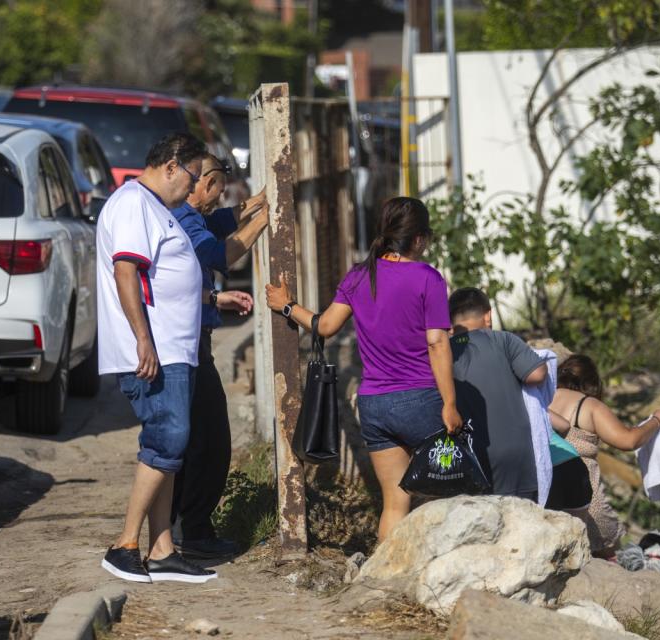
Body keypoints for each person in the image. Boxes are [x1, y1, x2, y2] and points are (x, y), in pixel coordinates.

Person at [266, 196, 461, 541]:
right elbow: (437, 342)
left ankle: (387, 582)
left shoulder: (360, 275)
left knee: (394, 504)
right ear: (419, 239)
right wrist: (449, 403)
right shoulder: (428, 278)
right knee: (443, 495)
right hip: (421, 402)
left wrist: (287, 306)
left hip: (374, 405)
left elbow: (324, 326)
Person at [96, 132, 217, 584]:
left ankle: (162, 549)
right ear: (170, 165)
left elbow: (165, 277)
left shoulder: (155, 207)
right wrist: (142, 340)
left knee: (171, 445)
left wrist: (213, 299)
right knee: (169, 438)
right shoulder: (133, 204)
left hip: (171, 348)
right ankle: (124, 544)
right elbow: (126, 271)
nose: (194, 188)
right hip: (154, 350)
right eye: (192, 176)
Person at [170, 154, 269, 558]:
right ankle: (193, 532)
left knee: (195, 438)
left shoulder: (183, 214)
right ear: (205, 183)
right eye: (218, 192)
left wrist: (256, 202)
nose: (218, 200)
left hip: (191, 338)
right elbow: (218, 254)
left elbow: (220, 222)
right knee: (209, 442)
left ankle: (183, 528)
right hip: (190, 344)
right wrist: (266, 219)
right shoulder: (186, 218)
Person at [549, 354, 660, 557]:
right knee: (608, 562)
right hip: (584, 499)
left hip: (545, 490)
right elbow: (628, 440)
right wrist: (657, 421)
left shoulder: (540, 398)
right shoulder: (588, 405)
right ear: (592, 383)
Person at [448, 287, 548, 501]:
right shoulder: (503, 340)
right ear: (488, 316)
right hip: (515, 453)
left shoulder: (443, 352)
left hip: (467, 455)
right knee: (519, 522)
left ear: (450, 324)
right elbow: (537, 374)